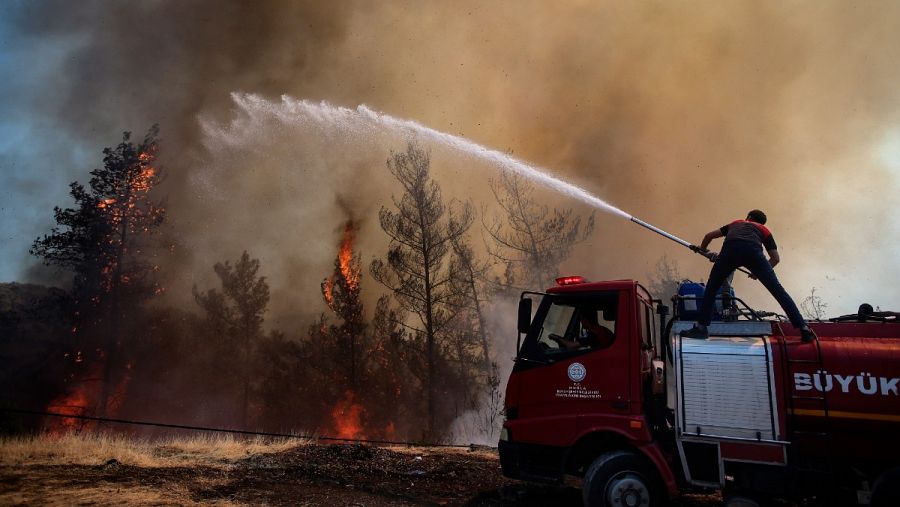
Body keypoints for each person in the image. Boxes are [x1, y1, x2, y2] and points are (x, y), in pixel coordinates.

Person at [682, 209, 816, 342]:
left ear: (749, 217)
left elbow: (708, 236)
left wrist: (703, 249)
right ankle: (804, 329)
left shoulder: (737, 223)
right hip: (754, 254)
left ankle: (701, 328)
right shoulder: (764, 230)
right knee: (779, 292)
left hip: (730, 251)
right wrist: (758, 272)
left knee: (711, 289)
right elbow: (775, 258)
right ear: (762, 223)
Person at [551, 309, 615, 350]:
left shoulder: (594, 334)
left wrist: (558, 339)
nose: (581, 321)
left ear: (586, 319)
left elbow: (571, 346)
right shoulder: (603, 329)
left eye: (581, 319)